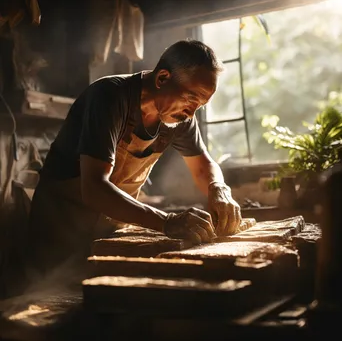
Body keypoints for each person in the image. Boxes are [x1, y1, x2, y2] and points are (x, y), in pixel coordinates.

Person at [27, 39, 242, 274]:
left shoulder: (180, 119)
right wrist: (167, 222)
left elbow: (203, 167)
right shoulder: (110, 96)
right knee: (46, 298)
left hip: (107, 234)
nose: (192, 112)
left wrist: (218, 188)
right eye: (191, 99)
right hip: (59, 232)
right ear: (162, 78)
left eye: (200, 106)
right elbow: (94, 188)